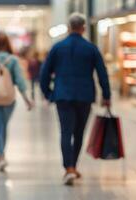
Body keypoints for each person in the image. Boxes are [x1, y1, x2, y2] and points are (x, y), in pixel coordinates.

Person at [40, 13, 111, 186]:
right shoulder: (91, 48)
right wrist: (106, 95)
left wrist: (49, 93)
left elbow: (44, 73)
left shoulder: (57, 48)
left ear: (69, 26)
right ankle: (72, 166)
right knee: (79, 132)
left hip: (62, 96)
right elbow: (102, 73)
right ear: (84, 28)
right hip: (84, 96)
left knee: (65, 132)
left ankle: (69, 168)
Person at [0, 33, 33, 172]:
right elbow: (20, 82)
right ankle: (2, 154)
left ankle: (0, 156)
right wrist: (27, 100)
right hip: (9, 99)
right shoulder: (13, 60)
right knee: (4, 126)